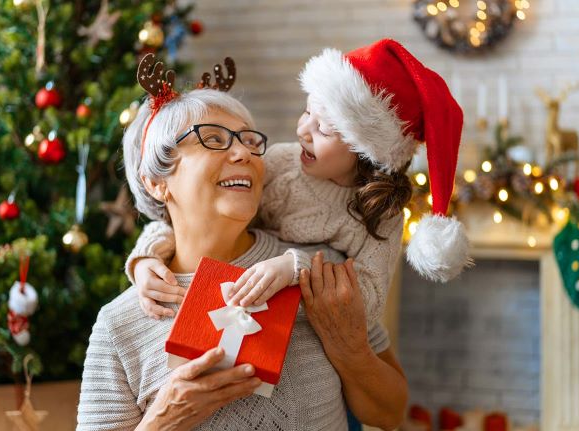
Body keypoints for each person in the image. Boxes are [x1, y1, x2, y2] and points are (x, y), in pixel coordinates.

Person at [77, 54, 409, 430]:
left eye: (249, 141)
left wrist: (350, 350)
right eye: (213, 139)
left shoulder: (317, 270)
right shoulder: (119, 324)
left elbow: (390, 413)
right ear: (156, 182)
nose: (243, 153)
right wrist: (163, 419)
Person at [127, 39, 471, 329]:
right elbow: (196, 220)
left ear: (363, 151)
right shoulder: (278, 163)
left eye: (322, 129)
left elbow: (369, 305)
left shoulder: (380, 213)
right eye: (307, 112)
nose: (302, 130)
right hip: (239, 300)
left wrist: (297, 268)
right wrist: (147, 257)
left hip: (302, 330)